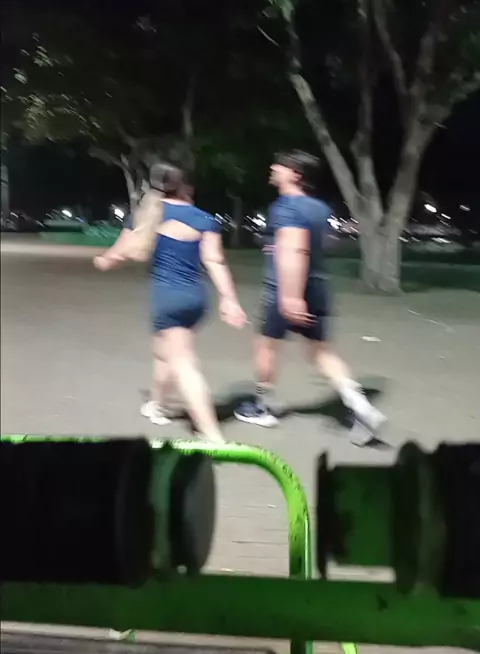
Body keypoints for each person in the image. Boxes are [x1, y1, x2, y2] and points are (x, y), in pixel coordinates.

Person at [234, 149, 386, 438]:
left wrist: (291, 295)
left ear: (296, 175)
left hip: (286, 287)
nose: (273, 168)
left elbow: (296, 249)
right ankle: (360, 405)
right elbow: (323, 244)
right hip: (317, 285)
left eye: (280, 165)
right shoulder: (319, 208)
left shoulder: (286, 207)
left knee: (266, 346)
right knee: (321, 352)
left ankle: (262, 406)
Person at [94, 161, 246, 443]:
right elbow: (215, 261)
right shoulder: (204, 219)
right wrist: (230, 299)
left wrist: (104, 260)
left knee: (183, 363)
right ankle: (158, 405)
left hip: (167, 298)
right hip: (195, 298)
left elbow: (118, 254)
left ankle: (211, 433)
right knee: (164, 353)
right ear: (187, 187)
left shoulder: (146, 215)